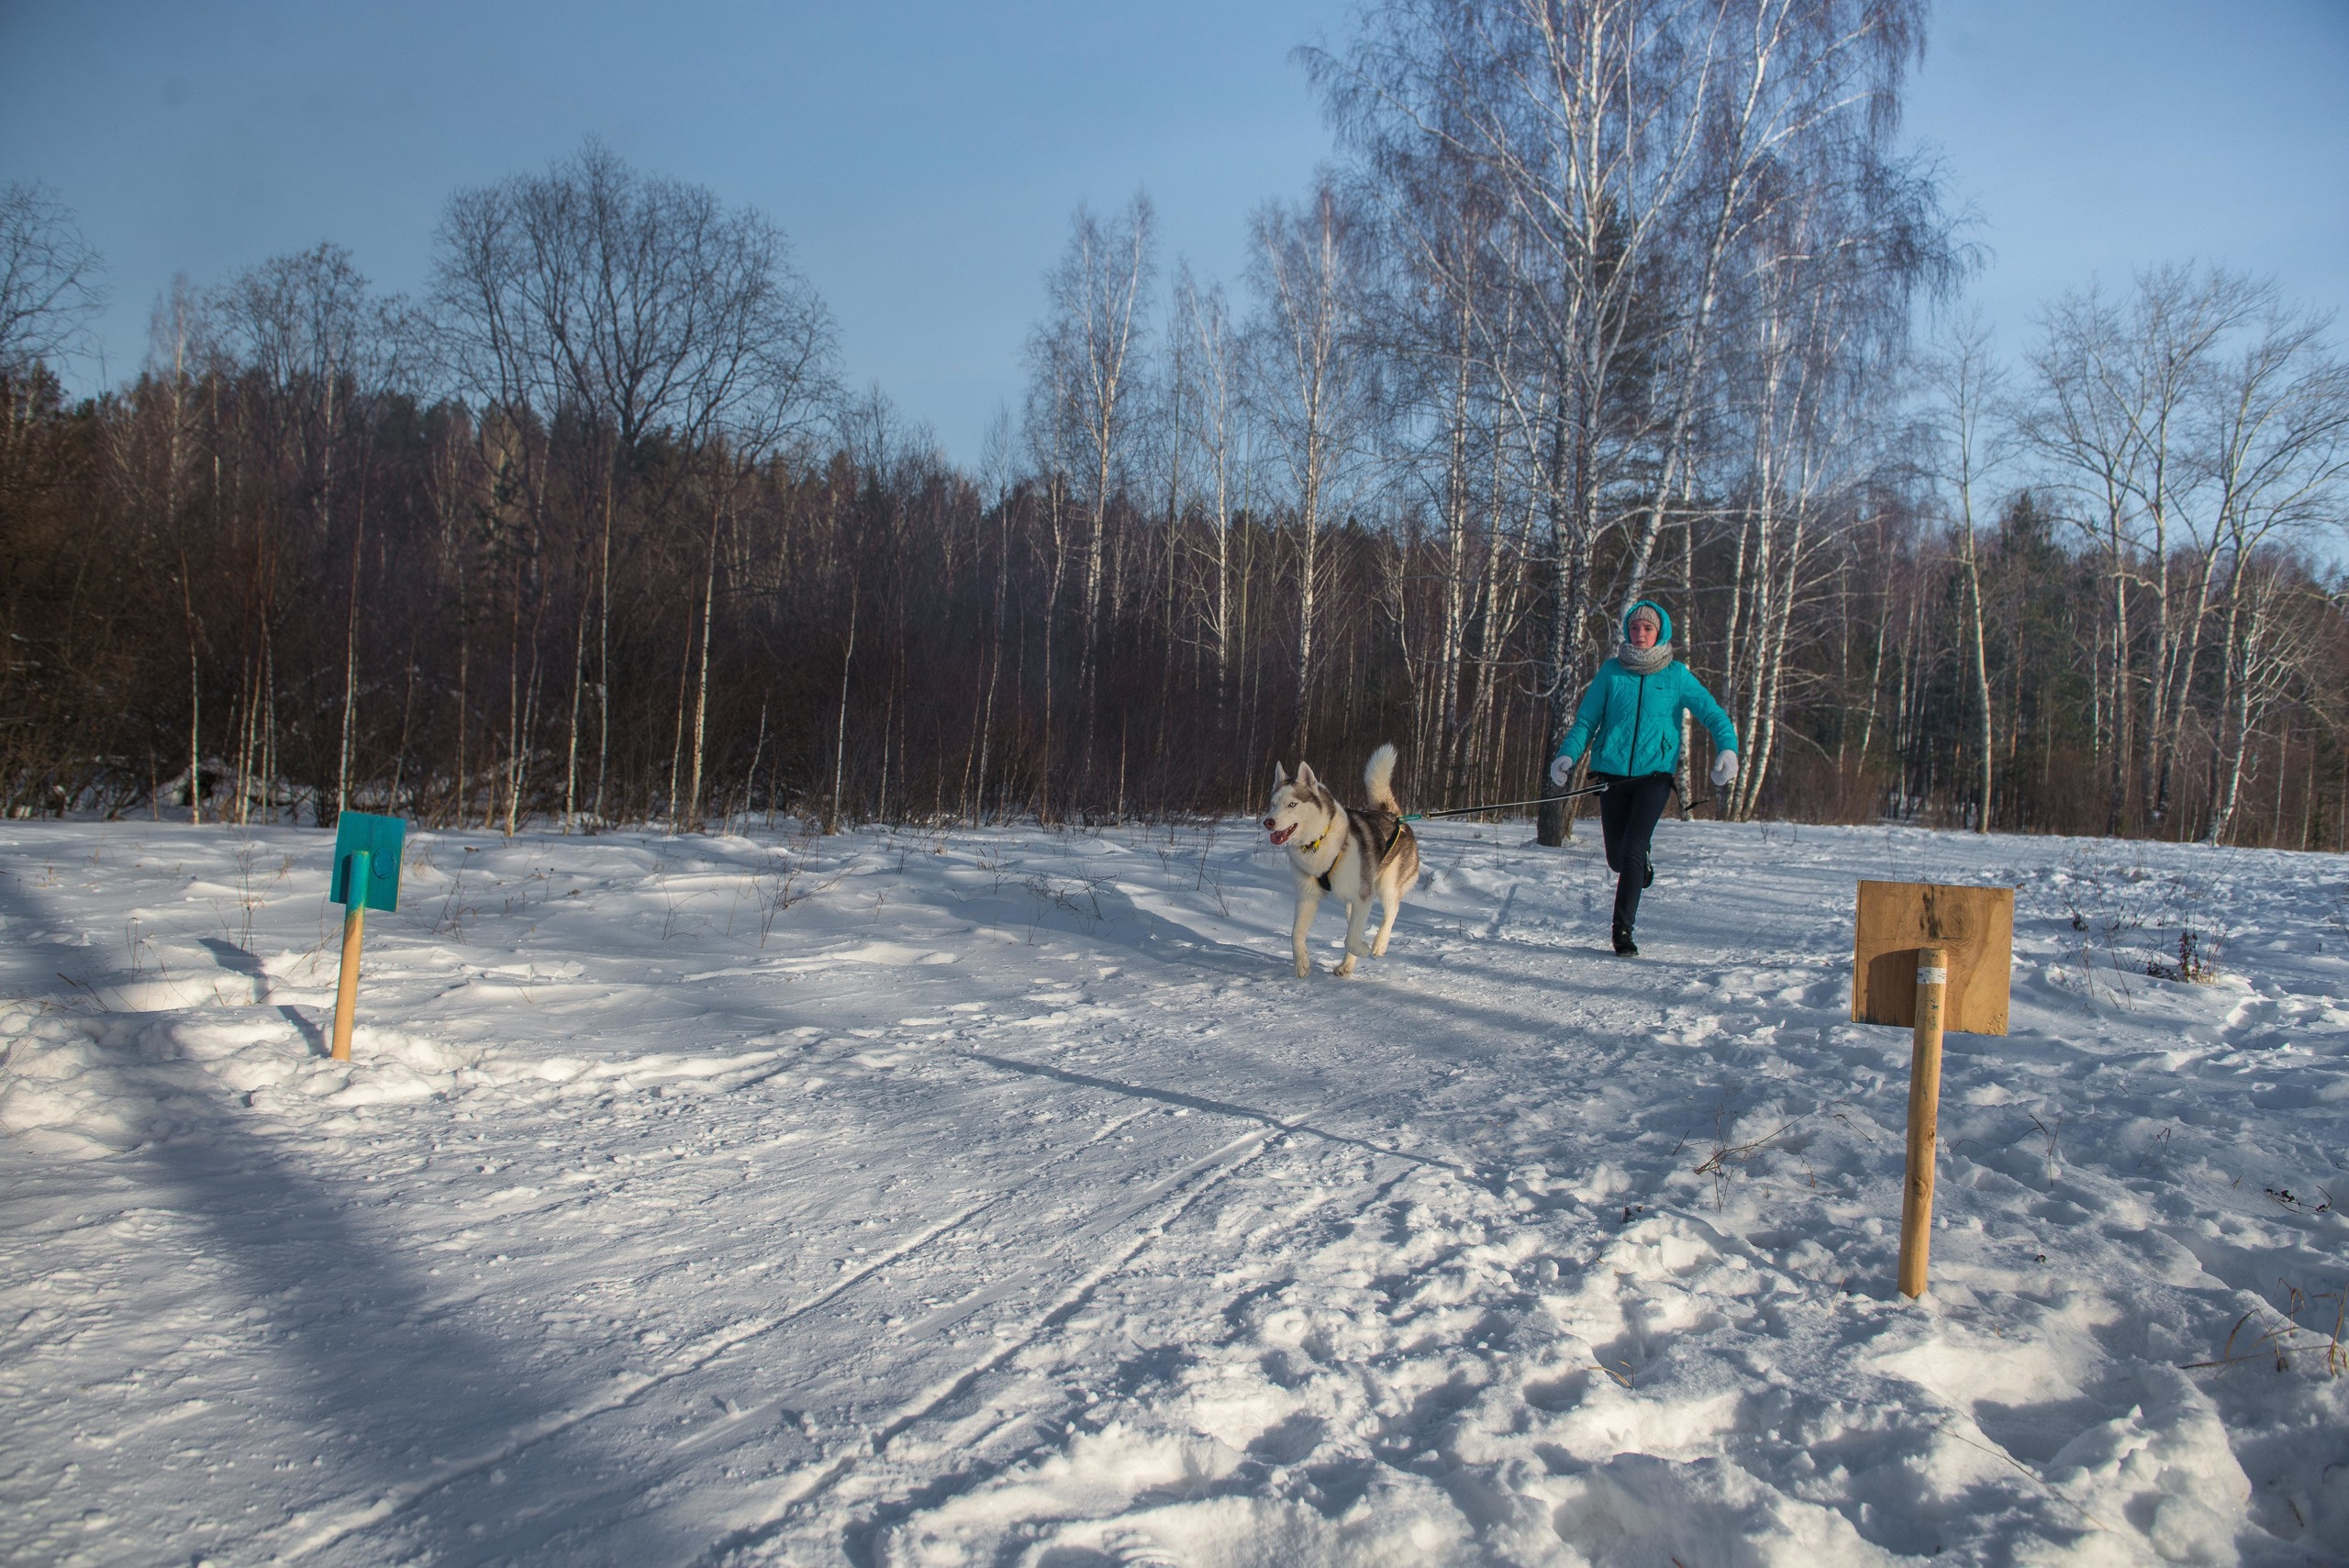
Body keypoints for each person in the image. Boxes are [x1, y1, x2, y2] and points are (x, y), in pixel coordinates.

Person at [1547, 601, 1738, 955]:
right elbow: (1586, 721)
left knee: (1633, 848)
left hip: (1654, 776)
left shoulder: (1676, 675)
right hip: (1612, 775)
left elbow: (1713, 714)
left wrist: (1728, 749)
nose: (1640, 634)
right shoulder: (1611, 672)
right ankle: (1640, 864)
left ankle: (1622, 931)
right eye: (1635, 628)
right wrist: (1567, 755)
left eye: (1647, 628)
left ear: (1660, 631)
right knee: (1618, 860)